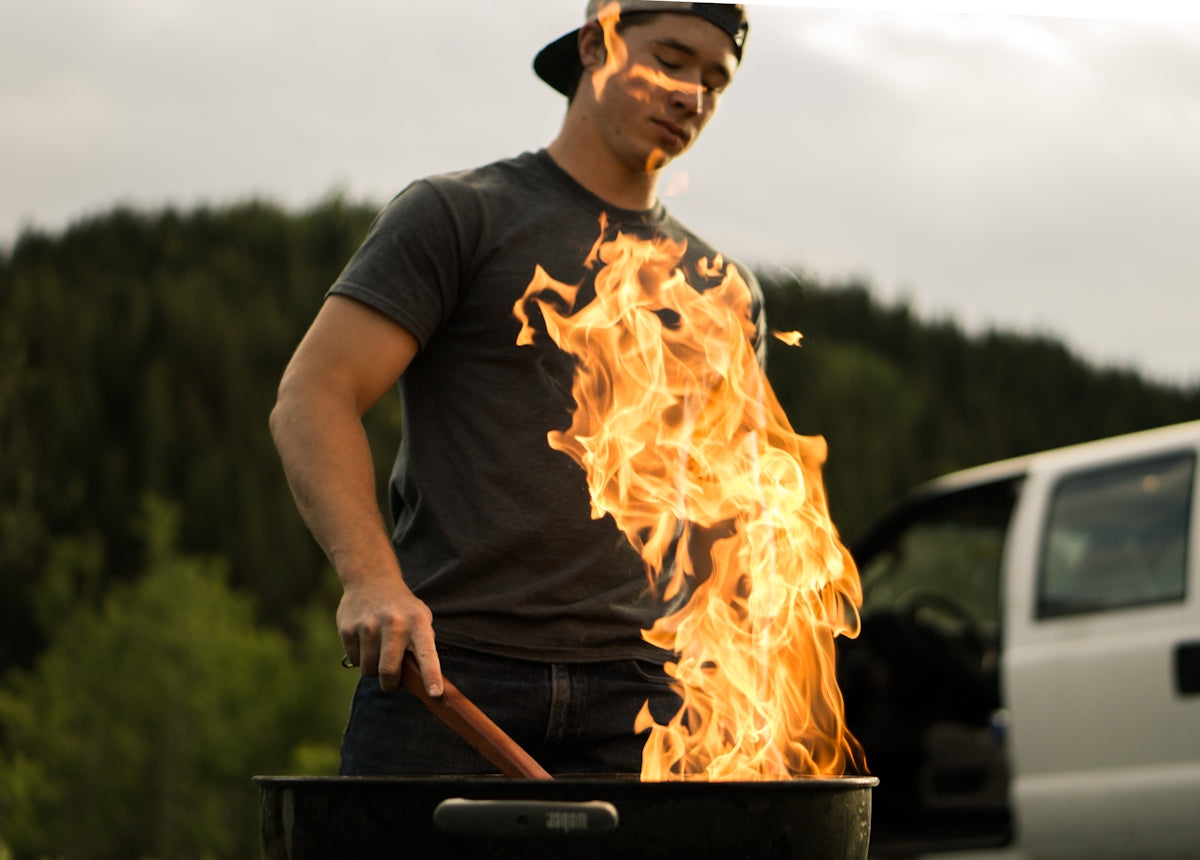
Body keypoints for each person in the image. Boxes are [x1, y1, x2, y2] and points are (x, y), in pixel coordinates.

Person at [269, 0, 763, 776]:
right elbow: (313, 395)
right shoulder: (459, 216)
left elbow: (723, 509)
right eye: (670, 60)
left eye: (715, 81)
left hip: (643, 703)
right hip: (447, 678)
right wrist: (370, 581)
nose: (691, 96)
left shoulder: (722, 289)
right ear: (596, 46)